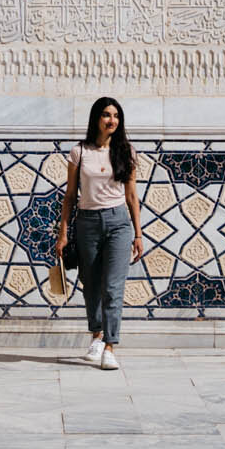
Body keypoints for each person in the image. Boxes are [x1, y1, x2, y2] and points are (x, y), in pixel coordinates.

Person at [56, 95, 143, 369]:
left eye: (116, 116)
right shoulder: (79, 152)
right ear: (96, 118)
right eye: (106, 115)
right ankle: (96, 335)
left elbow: (131, 196)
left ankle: (110, 346)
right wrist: (63, 232)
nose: (112, 120)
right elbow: (70, 196)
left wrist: (138, 234)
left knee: (113, 287)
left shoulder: (126, 151)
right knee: (90, 285)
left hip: (118, 223)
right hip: (87, 222)